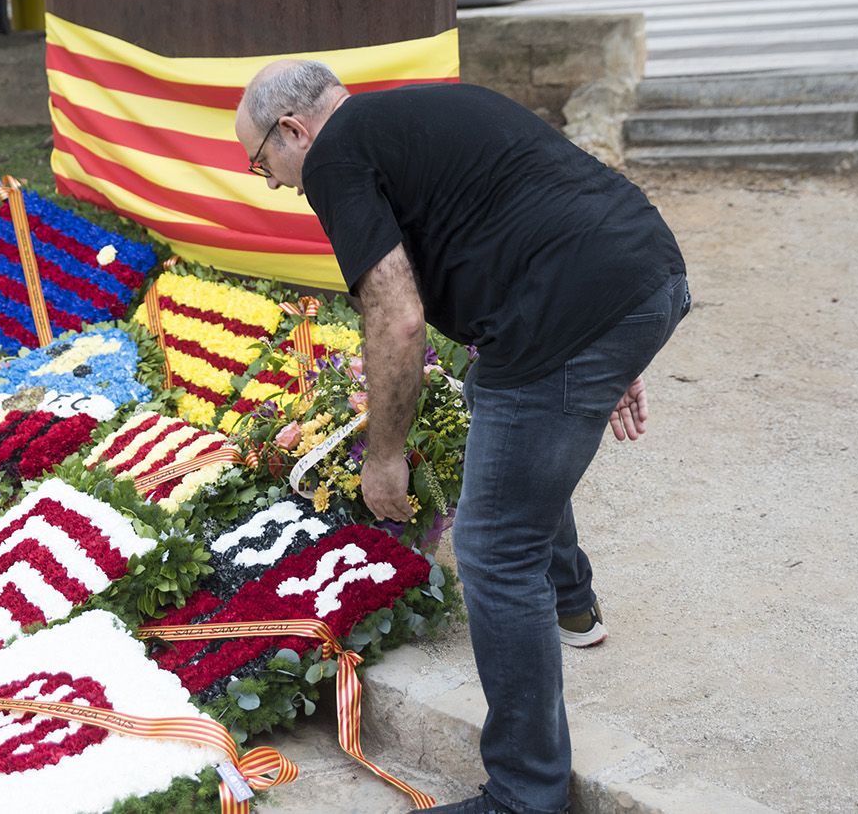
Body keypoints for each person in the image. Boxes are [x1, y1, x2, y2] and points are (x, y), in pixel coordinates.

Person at [234, 60, 689, 814]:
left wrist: (384, 457)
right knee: (496, 400)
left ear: (293, 129)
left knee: (494, 549)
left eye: (263, 163)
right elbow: (545, 214)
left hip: (580, 311)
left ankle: (524, 795)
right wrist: (616, 344)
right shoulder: (431, 111)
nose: (274, 181)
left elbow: (396, 316)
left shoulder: (338, 156)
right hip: (649, 274)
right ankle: (572, 603)